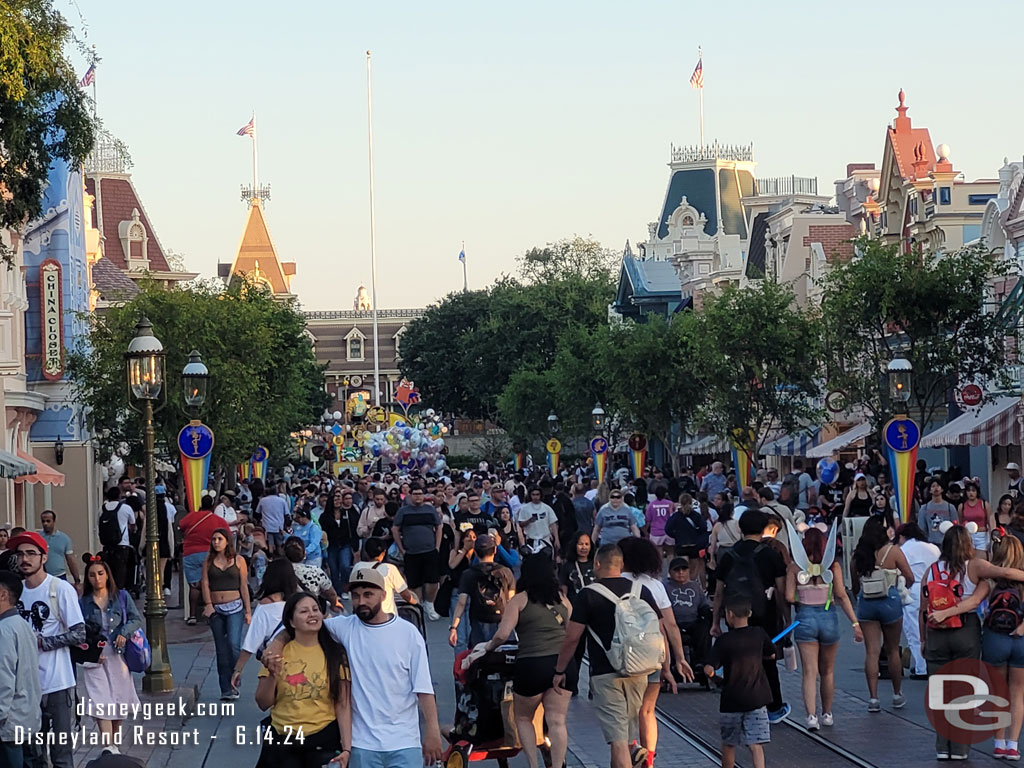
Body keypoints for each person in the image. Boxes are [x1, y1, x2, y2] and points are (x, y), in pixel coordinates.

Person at [305, 568, 443, 767]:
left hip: (404, 742)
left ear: (384, 595)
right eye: (356, 596)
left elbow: (423, 688)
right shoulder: (344, 627)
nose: (361, 602)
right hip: (362, 745)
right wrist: (277, 643)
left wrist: (432, 731)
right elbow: (302, 625)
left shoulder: (408, 634)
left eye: (368, 595)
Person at [551, 544, 669, 768]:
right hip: (640, 670)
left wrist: (560, 670)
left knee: (618, 740)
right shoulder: (640, 590)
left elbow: (572, 638)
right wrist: (666, 665)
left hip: (606, 673)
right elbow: (659, 630)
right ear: (621, 564)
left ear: (597, 564)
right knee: (625, 737)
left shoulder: (588, 594)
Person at [923, 523, 1024, 760]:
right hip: (965, 630)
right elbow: (1006, 574)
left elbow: (922, 607)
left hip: (936, 630)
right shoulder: (975, 566)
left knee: (940, 690)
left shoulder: (932, 570)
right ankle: (962, 749)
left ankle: (942, 747)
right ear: (968, 544)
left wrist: (922, 638)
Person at [481, 555, 574, 768]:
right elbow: (571, 631)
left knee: (523, 717)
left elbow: (502, 634)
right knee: (557, 720)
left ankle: (533, 765)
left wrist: (487, 648)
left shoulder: (520, 600)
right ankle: (558, 765)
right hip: (562, 664)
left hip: (532, 664)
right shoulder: (561, 599)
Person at [9, 531, 85, 768]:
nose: (25, 559)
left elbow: (79, 633)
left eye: (31, 553)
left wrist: (41, 642)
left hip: (57, 684)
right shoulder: (14, 592)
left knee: (61, 753)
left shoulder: (60, 589)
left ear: (44, 557)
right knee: (32, 754)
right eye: (20, 553)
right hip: (24, 687)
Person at [255, 592, 352, 768]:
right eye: (304, 611)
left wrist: (347, 749)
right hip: (283, 740)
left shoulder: (335, 653)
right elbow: (263, 703)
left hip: (323, 739)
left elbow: (343, 704)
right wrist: (272, 675)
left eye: (315, 609)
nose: (312, 614)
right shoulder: (277, 653)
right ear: (291, 622)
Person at [712, 509, 790, 723]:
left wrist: (715, 621)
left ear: (740, 528)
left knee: (734, 658)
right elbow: (782, 591)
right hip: (766, 615)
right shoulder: (771, 555)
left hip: (735, 614)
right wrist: (786, 619)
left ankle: (737, 705)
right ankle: (774, 707)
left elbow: (719, 592)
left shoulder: (728, 555)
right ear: (764, 529)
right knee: (768, 659)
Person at [618, 538, 690, 768]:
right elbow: (669, 625)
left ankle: (629, 754)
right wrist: (678, 659)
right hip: (651, 657)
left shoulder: (612, 582)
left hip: (621, 658)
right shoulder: (655, 586)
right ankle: (648, 761)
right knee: (647, 711)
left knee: (623, 713)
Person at [784, 525, 860, 730]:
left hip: (805, 618)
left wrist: (804, 594)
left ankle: (811, 717)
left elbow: (789, 597)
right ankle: (827, 714)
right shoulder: (833, 566)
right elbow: (842, 596)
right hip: (829, 617)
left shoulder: (795, 567)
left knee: (810, 672)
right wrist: (855, 623)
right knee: (827, 671)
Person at [78, 554, 142, 752]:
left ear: (107, 575)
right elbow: (79, 628)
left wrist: (124, 633)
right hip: (95, 655)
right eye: (91, 575)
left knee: (119, 698)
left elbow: (135, 619)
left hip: (118, 653)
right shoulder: (84, 602)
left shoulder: (121, 596)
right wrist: (88, 651)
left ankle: (114, 745)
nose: (97, 579)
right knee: (100, 698)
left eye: (100, 573)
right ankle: (108, 746)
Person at [850, 517, 913, 713]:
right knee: (893, 649)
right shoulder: (893, 551)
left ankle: (873, 698)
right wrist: (902, 588)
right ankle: (896, 694)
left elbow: (854, 585)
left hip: (867, 603)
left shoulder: (858, 555)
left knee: (872, 652)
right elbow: (910, 577)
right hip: (890, 601)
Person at [704, 596, 774, 768]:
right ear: (749, 613)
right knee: (756, 745)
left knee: (729, 744)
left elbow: (708, 668)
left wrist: (715, 679)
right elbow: (771, 654)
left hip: (731, 699)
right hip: (757, 698)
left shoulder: (724, 641)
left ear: (729, 615)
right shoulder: (759, 634)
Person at [232, 559, 301, 690]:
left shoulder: (266, 605)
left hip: (275, 661)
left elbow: (252, 640)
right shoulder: (298, 602)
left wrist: (238, 669)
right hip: (300, 659)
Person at [201, 528, 251, 701]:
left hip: (235, 607)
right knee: (221, 650)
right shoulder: (208, 561)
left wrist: (248, 611)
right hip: (216, 608)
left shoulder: (238, 560)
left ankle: (235, 678)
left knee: (233, 645)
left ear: (227, 541)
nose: (216, 542)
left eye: (219, 539)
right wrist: (208, 604)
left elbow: (244, 586)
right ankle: (225, 688)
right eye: (214, 539)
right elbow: (205, 584)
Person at [0, 569, 41, 768]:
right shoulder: (23, 625)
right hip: (26, 720)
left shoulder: (4, 629)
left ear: (3, 594)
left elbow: (3, 680)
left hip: (8, 726)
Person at [449, 534, 515, 648]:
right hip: (501, 621)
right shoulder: (505, 572)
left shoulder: (468, 574)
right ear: (495, 550)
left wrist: (454, 627)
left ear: (475, 552)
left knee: (478, 655)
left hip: (478, 621)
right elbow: (511, 600)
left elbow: (461, 603)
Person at [894, 522, 940, 679]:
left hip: (912, 591)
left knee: (914, 631)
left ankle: (921, 667)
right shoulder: (933, 548)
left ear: (902, 536)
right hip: (934, 590)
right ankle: (932, 664)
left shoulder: (903, 550)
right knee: (932, 629)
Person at [392, 485, 443, 620]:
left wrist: (437, 546)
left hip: (430, 550)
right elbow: (395, 529)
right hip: (411, 552)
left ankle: (429, 605)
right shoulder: (403, 511)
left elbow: (438, 526)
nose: (418, 496)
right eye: (415, 494)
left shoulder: (430, 509)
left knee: (432, 580)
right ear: (410, 495)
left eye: (420, 494)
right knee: (415, 582)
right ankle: (418, 605)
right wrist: (401, 549)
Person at [179, 495, 224, 626]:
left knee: (194, 585)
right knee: (211, 583)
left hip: (190, 552)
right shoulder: (217, 520)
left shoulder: (191, 516)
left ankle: (192, 615)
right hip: (210, 553)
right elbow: (225, 533)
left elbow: (180, 526)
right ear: (213, 506)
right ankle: (212, 613)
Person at [351, 538, 417, 616]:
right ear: (383, 553)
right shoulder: (390, 568)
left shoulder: (358, 567)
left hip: (363, 615)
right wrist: (415, 602)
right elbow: (405, 595)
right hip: (387, 616)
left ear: (365, 552)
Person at [98, 487, 137, 596]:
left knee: (108, 568)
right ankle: (120, 592)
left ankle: (109, 590)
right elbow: (133, 524)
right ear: (119, 496)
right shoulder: (126, 508)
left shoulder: (102, 509)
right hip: (122, 544)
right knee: (121, 569)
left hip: (107, 544)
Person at [283, 537, 341, 610]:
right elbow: (331, 594)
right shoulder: (316, 571)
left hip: (288, 611)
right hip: (312, 609)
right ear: (304, 554)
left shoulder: (279, 573)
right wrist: (333, 605)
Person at [38, 511, 79, 589]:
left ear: (54, 521)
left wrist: (76, 579)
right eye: (43, 521)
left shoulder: (64, 539)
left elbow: (70, 559)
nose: (45, 524)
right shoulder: (38, 538)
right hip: (42, 576)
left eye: (48, 521)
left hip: (59, 576)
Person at [517, 487, 560, 556]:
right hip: (531, 540)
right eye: (533, 495)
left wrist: (557, 539)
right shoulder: (524, 509)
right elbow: (521, 524)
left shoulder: (547, 508)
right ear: (530, 495)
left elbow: (553, 524)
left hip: (545, 540)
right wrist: (529, 521)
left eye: (537, 494)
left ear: (541, 495)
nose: (535, 497)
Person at [919, 480, 958, 546]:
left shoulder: (950, 507)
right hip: (931, 543)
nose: (936, 488)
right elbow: (922, 528)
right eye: (933, 486)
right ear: (930, 490)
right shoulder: (924, 508)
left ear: (942, 489)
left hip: (947, 543)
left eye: (938, 486)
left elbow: (955, 526)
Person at [559, 531, 595, 601]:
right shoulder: (567, 566)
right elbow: (563, 591)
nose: (584, 547)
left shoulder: (595, 565)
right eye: (580, 544)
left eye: (587, 544)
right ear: (575, 545)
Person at [255, 483, 290, 556]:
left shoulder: (263, 500)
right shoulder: (282, 501)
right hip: (279, 526)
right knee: (279, 544)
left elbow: (257, 513)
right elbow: (287, 514)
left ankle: (270, 557)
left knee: (270, 544)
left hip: (267, 526)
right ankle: (280, 558)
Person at [959, 480, 991, 556]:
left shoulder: (984, 504)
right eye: (968, 491)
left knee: (982, 557)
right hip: (968, 535)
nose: (971, 493)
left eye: (973, 490)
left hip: (982, 535)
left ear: (977, 492)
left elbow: (989, 521)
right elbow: (960, 522)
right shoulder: (962, 506)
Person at [645, 487, 675, 561]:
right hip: (668, 531)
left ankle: (660, 570)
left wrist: (646, 531)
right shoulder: (670, 504)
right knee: (670, 552)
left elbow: (648, 520)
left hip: (656, 532)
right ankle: (670, 571)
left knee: (658, 552)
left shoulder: (651, 505)